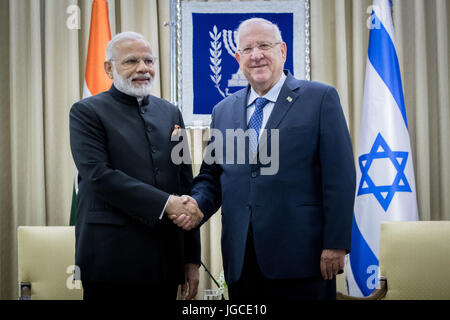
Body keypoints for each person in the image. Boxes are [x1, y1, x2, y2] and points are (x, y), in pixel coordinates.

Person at [170, 18, 356, 300]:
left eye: (264, 46)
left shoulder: (319, 98)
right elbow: (212, 176)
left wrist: (336, 243)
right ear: (237, 57)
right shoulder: (223, 111)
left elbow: (339, 176)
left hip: (303, 258)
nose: (256, 55)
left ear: (282, 50)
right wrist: (195, 205)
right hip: (242, 261)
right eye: (247, 49)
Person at [70, 31, 203, 301]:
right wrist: (167, 203)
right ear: (109, 68)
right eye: (131, 61)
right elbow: (99, 176)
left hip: (165, 259)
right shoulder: (86, 112)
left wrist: (191, 258)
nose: (143, 68)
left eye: (149, 61)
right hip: (110, 260)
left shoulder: (170, 112)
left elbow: (184, 182)